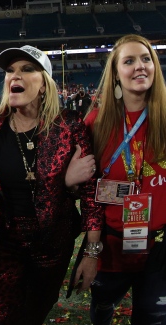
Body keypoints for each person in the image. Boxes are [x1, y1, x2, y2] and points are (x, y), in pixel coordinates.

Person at [0, 45, 103, 325]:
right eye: (10, 70)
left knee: (35, 313)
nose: (14, 76)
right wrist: (65, 182)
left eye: (27, 69)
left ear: (45, 85)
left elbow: (92, 195)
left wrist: (92, 254)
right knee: (2, 318)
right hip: (3, 246)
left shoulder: (68, 126)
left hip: (53, 244)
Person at [84, 34, 166, 324]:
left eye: (146, 59)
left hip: (159, 249)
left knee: (154, 317)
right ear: (116, 74)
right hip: (111, 247)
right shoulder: (95, 122)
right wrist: (70, 180)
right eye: (129, 61)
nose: (140, 66)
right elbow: (83, 189)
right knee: (103, 305)